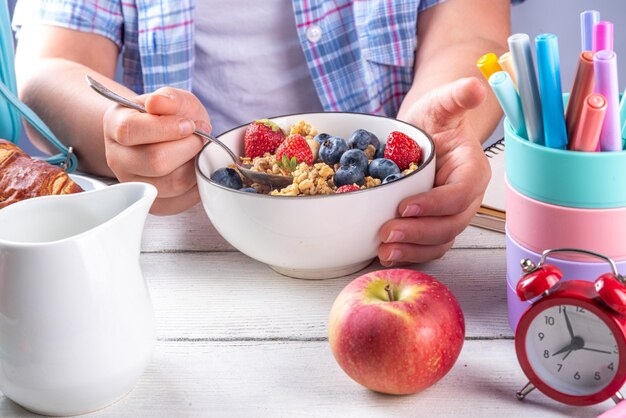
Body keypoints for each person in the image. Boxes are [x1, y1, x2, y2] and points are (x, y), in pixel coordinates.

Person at [12, 0, 511, 267]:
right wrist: (124, 134)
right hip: (186, 243)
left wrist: (435, 133)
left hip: (390, 221)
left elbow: (474, 29)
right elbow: (51, 68)